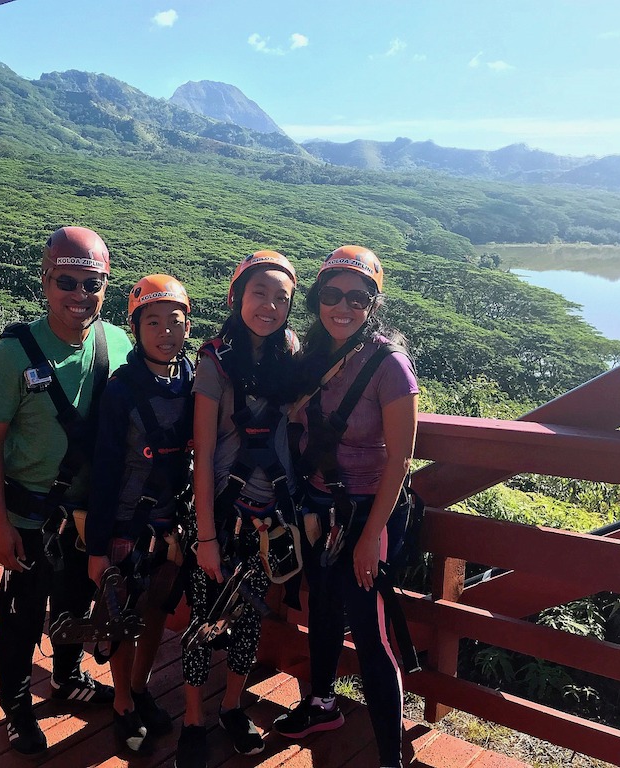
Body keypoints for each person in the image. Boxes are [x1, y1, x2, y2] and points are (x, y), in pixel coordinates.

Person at [0, 226, 133, 755]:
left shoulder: (117, 343)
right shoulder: (14, 353)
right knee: (21, 614)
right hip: (29, 512)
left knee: (77, 603)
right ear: (45, 282)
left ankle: (66, 678)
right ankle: (17, 706)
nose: (79, 295)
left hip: (90, 513)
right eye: (67, 281)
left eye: (93, 284)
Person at [273, 246, 419, 768]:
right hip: (317, 506)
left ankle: (389, 756)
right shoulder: (310, 357)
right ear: (317, 299)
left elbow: (400, 459)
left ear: (372, 306)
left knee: (372, 634)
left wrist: (368, 537)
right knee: (324, 611)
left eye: (357, 298)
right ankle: (322, 704)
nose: (344, 307)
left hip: (365, 513)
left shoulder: (390, 366)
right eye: (332, 295)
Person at [176, 251, 301, 768]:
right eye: (259, 294)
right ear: (236, 297)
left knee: (248, 617)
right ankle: (191, 720)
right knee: (203, 619)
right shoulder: (214, 360)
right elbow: (203, 454)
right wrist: (205, 536)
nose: (269, 306)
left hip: (267, 517)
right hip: (220, 511)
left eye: (281, 298)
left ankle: (231, 706)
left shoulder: (292, 354)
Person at [85, 274, 196, 753]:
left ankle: (141, 686)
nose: (166, 331)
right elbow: (105, 469)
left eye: (176, 321)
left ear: (188, 327)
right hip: (128, 521)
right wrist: (97, 549)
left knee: (154, 612)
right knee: (123, 614)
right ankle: (122, 705)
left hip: (170, 522)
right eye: (153, 322)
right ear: (136, 328)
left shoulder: (191, 377)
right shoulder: (121, 390)